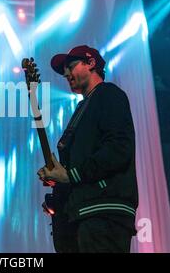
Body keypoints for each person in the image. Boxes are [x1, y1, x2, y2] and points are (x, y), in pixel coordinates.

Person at [37, 45, 138, 253]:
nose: (66, 73)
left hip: (103, 211)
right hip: (83, 213)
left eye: (71, 66)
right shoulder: (83, 108)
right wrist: (59, 185)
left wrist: (71, 175)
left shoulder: (109, 94)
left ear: (91, 63)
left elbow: (119, 148)